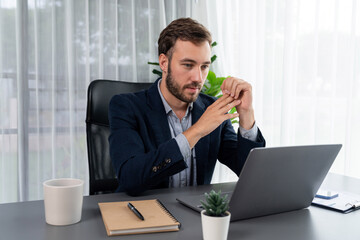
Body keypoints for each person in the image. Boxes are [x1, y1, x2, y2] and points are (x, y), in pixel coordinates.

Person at [109, 18, 265, 196]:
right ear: (163, 63)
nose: (198, 78)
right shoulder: (126, 106)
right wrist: (197, 130)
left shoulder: (212, 107)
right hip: (144, 214)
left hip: (195, 215)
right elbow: (130, 178)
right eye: (188, 65)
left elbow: (247, 172)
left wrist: (246, 115)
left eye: (204, 66)